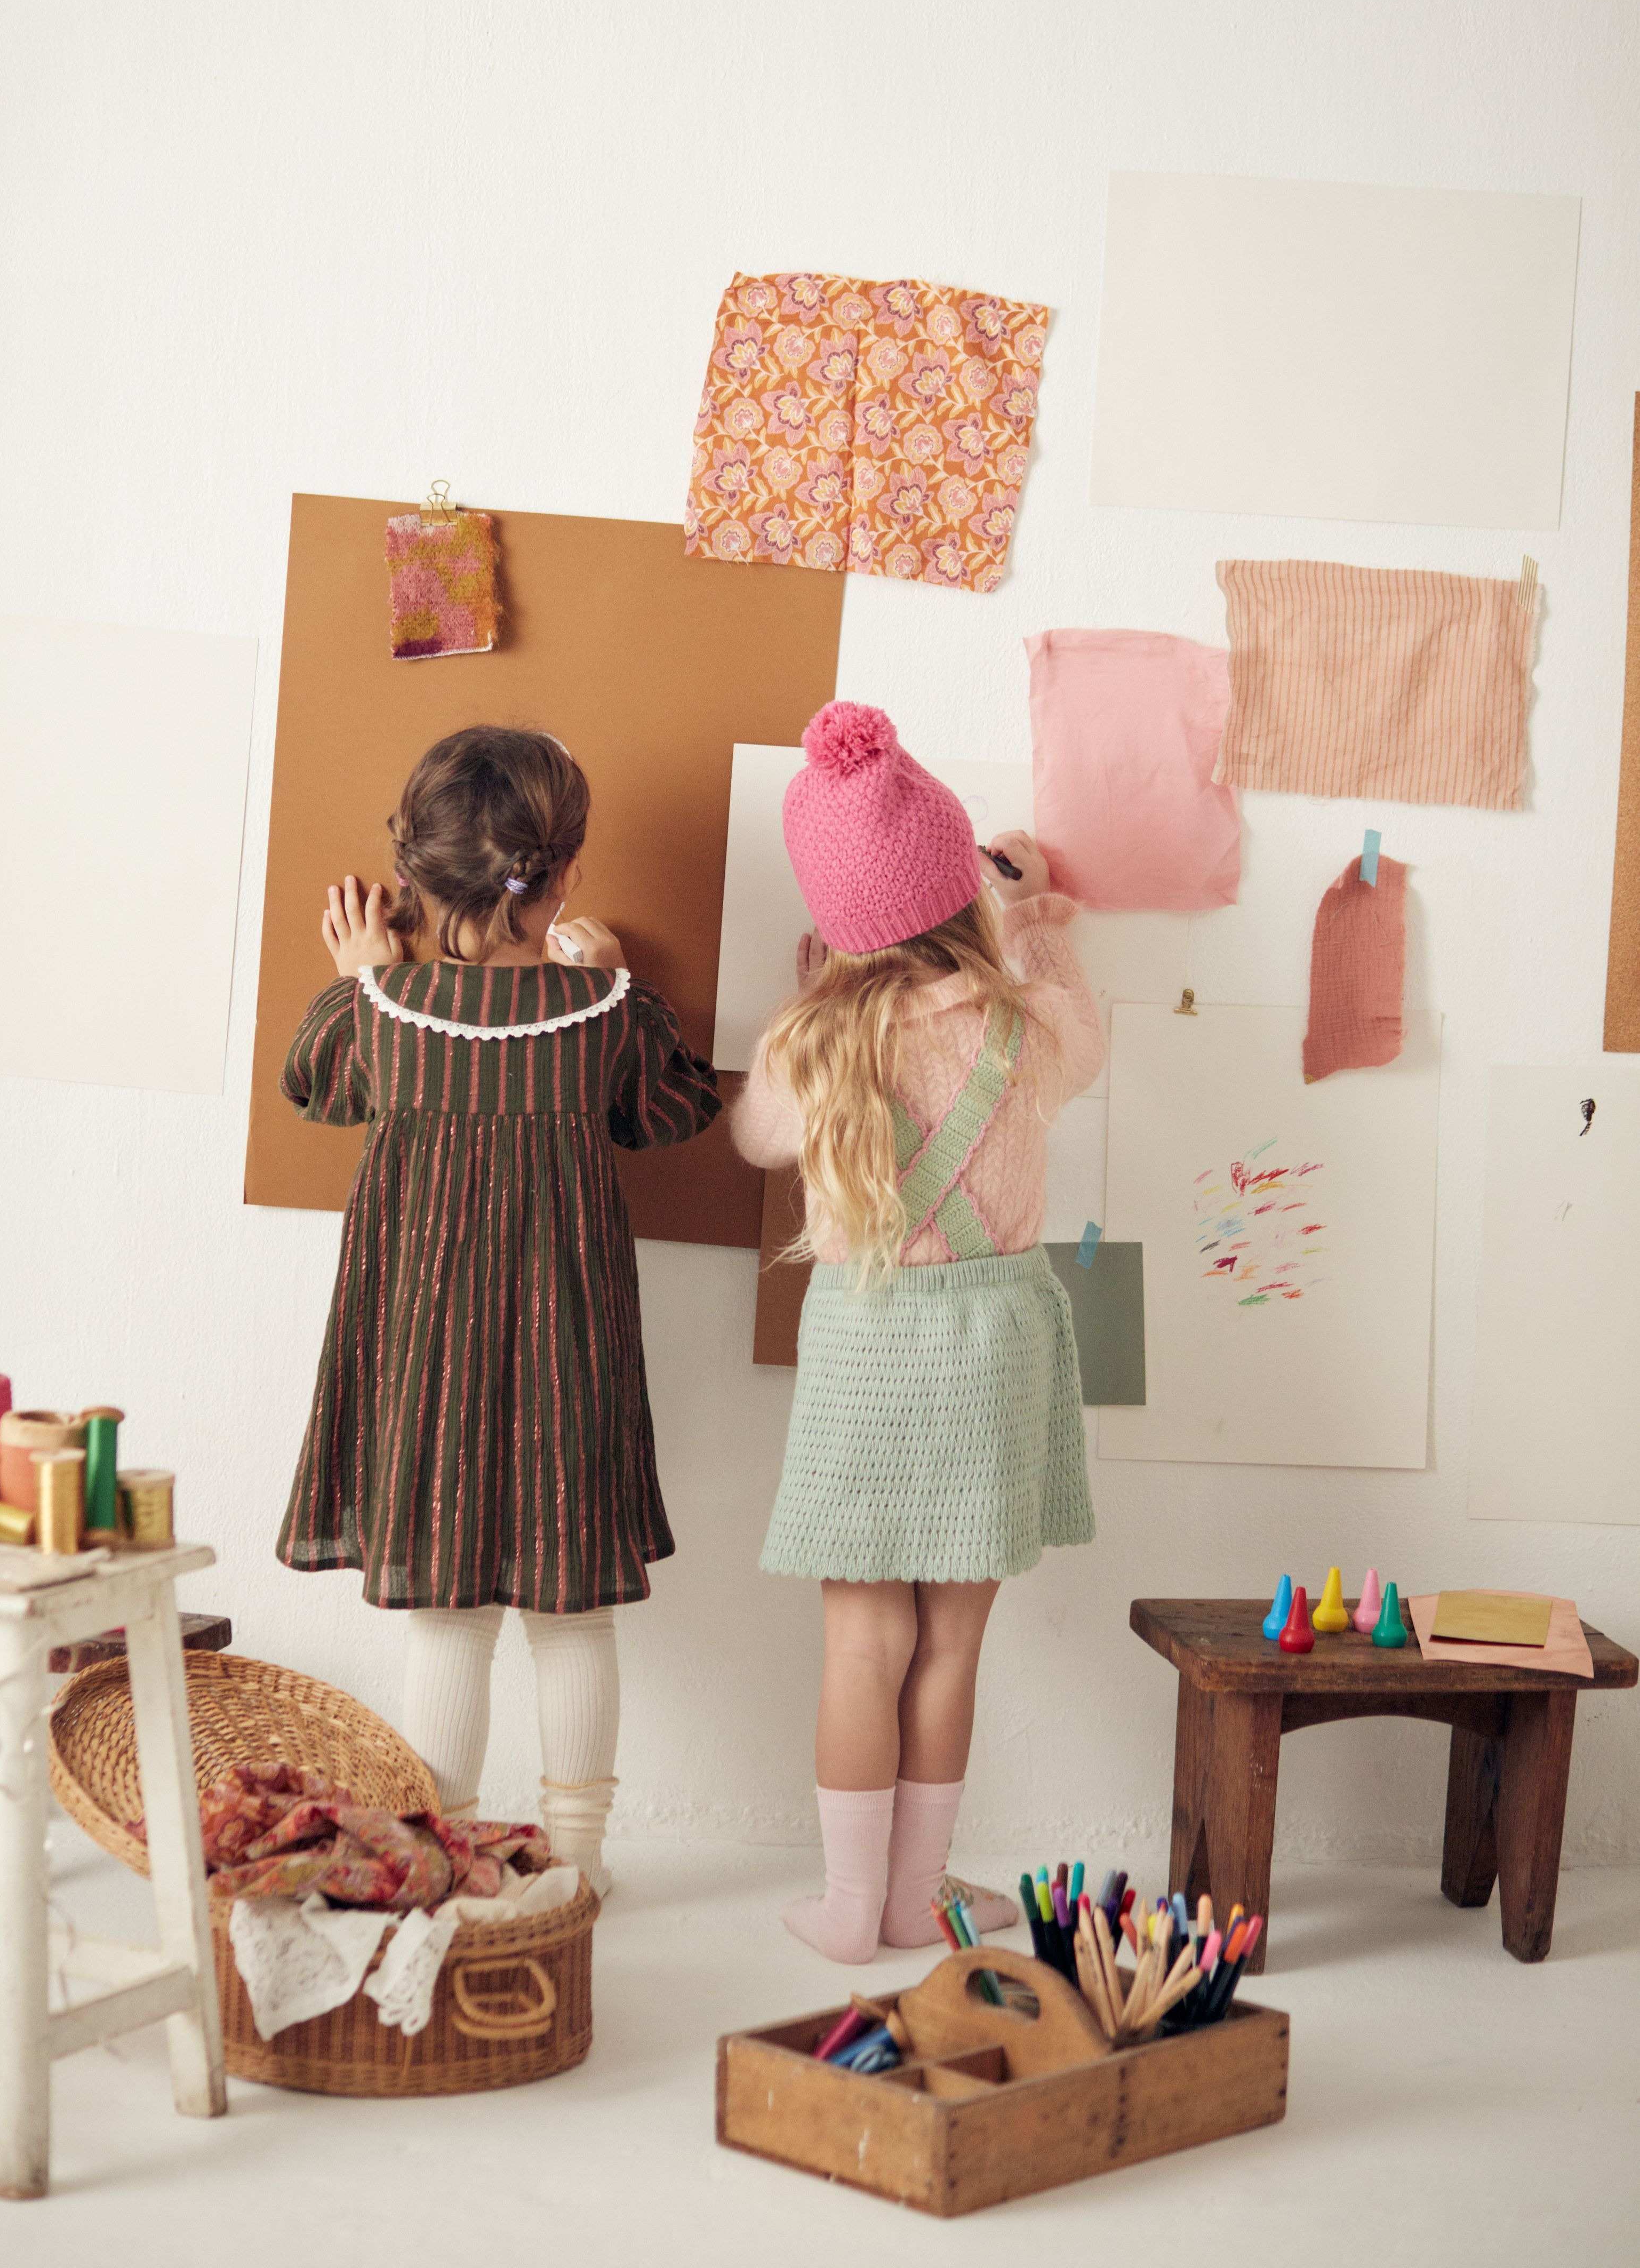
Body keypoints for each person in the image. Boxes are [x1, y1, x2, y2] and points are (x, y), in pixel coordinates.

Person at [275, 724, 721, 1891]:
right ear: (562, 872)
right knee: (574, 1624)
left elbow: (314, 1085)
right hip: (570, 1360)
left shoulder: (381, 1008)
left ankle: (446, 1861)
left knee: (448, 1623)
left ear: (413, 876)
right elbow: (673, 1112)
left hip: (425, 1364)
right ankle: (578, 1869)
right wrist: (614, 968)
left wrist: (363, 973)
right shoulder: (606, 1009)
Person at [733, 701, 1103, 1962]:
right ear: (956, 883)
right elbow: (1086, 1040)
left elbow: (756, 1140)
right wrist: (1034, 921)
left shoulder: (810, 1044)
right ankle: (915, 1892)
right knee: (950, 1638)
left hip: (865, 1354)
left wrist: (808, 1001)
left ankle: (848, 1904)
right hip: (992, 1350)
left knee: (861, 1637)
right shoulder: (1030, 1026)